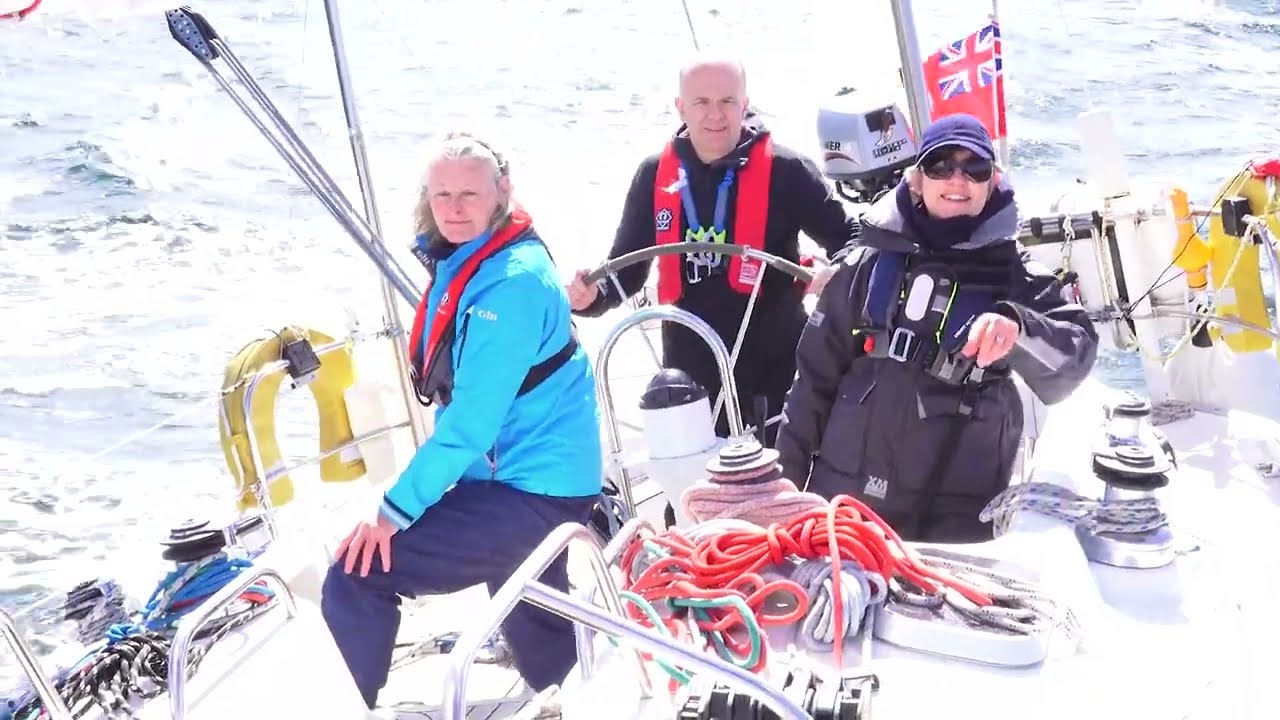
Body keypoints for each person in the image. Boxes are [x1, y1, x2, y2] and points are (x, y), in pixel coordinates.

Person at [321, 132, 603, 710]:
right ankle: (577, 689)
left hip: (531, 491)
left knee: (356, 572)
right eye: (441, 193)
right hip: (538, 479)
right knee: (533, 608)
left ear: (502, 191)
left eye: (469, 194)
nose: (453, 207)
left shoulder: (514, 283)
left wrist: (390, 513)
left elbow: (471, 424)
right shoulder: (483, 254)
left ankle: (348, 706)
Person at [775, 113, 1098, 543]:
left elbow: (1074, 358)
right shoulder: (867, 263)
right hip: (847, 503)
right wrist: (783, 494)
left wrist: (1018, 327)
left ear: (993, 181)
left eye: (975, 168)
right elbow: (812, 381)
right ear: (915, 180)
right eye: (940, 166)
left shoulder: (1019, 272)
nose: (957, 180)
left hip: (955, 513)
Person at [565, 54, 861, 447]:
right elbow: (626, 270)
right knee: (689, 495)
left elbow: (852, 237)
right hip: (688, 371)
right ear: (680, 107)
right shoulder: (653, 174)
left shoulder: (787, 169)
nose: (715, 115)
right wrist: (590, 296)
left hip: (774, 365)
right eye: (701, 103)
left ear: (745, 104)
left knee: (781, 491)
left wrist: (837, 270)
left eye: (727, 101)